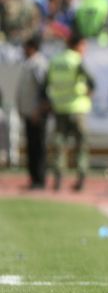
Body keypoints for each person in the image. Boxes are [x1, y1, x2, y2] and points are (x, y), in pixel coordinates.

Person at [44, 32, 94, 192]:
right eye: (83, 45)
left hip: (59, 108)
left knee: (59, 144)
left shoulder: (55, 60)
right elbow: (91, 82)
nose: (84, 48)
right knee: (81, 144)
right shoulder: (76, 60)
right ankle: (81, 178)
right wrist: (88, 93)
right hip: (77, 108)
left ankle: (58, 178)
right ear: (77, 45)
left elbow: (46, 84)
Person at [16, 35, 49, 190]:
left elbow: (44, 88)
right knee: (31, 146)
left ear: (32, 47)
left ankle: (40, 180)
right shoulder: (28, 63)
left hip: (37, 113)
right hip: (29, 112)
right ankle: (33, 178)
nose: (23, 50)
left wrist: (39, 109)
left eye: (26, 47)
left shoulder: (39, 64)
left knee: (38, 146)